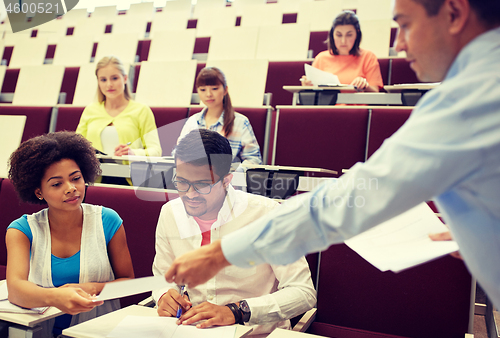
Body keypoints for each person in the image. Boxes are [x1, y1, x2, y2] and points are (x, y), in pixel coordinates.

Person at [164, 0, 500, 311]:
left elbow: (352, 199)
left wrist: (222, 253)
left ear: (454, 14)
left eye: (406, 25)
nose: (398, 44)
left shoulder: (471, 98)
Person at [152, 129, 316, 338]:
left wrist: (237, 311)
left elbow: (303, 292)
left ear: (226, 180)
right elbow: (162, 276)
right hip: (190, 335)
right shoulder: (170, 213)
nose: (189, 194)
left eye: (201, 185)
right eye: (181, 182)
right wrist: (164, 295)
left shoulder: (267, 215)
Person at [6, 131, 135, 338]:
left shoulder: (108, 220)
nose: (71, 188)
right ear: (39, 192)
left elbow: (128, 282)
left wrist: (90, 289)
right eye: (57, 184)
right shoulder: (21, 229)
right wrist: (56, 296)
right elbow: (16, 290)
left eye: (75, 178)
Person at [76, 56, 162, 184]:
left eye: (114, 78)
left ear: (125, 78)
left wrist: (133, 153)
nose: (109, 84)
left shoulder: (141, 110)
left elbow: (156, 151)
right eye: (103, 80)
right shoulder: (90, 110)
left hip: (131, 180)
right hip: (94, 180)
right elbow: (76, 147)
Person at [178, 67, 262, 164]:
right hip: (195, 176)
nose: (208, 94)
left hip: (228, 177)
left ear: (225, 90)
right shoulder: (192, 121)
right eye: (203, 89)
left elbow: (254, 160)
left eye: (214, 89)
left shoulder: (240, 122)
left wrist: (234, 172)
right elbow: (178, 154)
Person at [301, 10, 383, 92]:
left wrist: (364, 86)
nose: (343, 41)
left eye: (349, 35)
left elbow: (376, 94)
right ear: (332, 35)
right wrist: (307, 86)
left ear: (357, 34)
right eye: (339, 35)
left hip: (357, 104)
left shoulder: (368, 57)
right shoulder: (321, 58)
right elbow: (312, 95)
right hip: (328, 104)